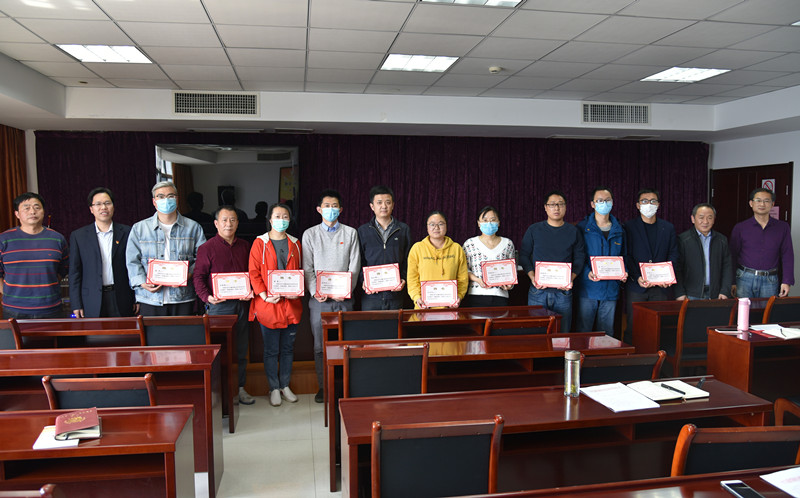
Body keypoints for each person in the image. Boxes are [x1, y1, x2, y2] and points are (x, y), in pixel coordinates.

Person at [302, 189, 360, 403]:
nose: (331, 209)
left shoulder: (350, 233)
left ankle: (345, 386)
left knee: (346, 345)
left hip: (345, 300)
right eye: (326, 206)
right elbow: (307, 267)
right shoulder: (310, 234)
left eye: (334, 206)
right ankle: (323, 387)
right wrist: (314, 290)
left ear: (341, 209)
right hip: (319, 301)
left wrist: (346, 290)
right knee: (320, 346)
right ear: (319, 209)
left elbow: (354, 265)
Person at [193, 206, 255, 405]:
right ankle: (218, 391)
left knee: (241, 349)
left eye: (233, 220)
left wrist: (251, 290)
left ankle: (240, 388)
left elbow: (253, 273)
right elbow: (198, 277)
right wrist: (207, 297)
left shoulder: (245, 246)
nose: (229, 224)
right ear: (216, 223)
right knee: (218, 351)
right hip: (219, 307)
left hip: (242, 305)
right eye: (224, 220)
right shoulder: (206, 248)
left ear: (238, 223)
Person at [249, 203, 302, 407]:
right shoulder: (259, 243)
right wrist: (263, 295)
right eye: (277, 216)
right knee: (271, 350)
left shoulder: (295, 243)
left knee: (288, 349)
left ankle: (285, 385)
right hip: (268, 305)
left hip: (290, 305)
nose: (282, 220)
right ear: (270, 220)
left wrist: (297, 290)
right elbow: (254, 273)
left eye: (285, 216)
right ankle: (273, 387)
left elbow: (300, 272)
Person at [126, 181, 206, 316]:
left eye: (170, 196)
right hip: (150, 298)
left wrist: (188, 274)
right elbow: (132, 260)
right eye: (161, 197)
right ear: (154, 201)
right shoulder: (139, 228)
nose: (166, 200)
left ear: (177, 199)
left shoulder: (193, 227)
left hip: (183, 297)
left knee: (183, 330)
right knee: (152, 331)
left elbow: (202, 259)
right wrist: (143, 282)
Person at [520, 190, 585, 333]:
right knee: (536, 332)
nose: (556, 208)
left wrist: (571, 278)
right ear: (545, 207)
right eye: (552, 204)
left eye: (560, 204)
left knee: (562, 334)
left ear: (566, 207)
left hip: (563, 293)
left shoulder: (573, 231)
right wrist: (532, 276)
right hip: (538, 291)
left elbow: (580, 258)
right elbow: (524, 256)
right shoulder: (534, 229)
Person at [69, 187, 136, 318]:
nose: (103, 207)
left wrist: (136, 298)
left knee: (124, 331)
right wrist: (76, 304)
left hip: (122, 297)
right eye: (98, 204)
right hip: (91, 299)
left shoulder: (128, 232)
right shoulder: (79, 236)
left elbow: (134, 266)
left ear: (113, 206)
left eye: (107, 203)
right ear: (91, 209)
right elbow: (74, 272)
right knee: (95, 331)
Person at [0, 192, 68, 319]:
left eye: (37, 207)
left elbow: (63, 270)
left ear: (43, 211)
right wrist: (11, 293)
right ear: (17, 214)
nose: (32, 211)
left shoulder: (57, 239)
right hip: (14, 310)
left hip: (50, 309)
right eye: (26, 208)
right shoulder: (4, 240)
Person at [624, 188, 678, 343]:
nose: (649, 204)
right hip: (637, 286)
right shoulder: (628, 227)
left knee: (657, 328)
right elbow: (626, 255)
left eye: (653, 201)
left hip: (660, 288)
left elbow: (673, 254)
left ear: (658, 204)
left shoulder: (668, 227)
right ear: (638, 205)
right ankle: (631, 356)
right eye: (645, 201)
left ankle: (656, 356)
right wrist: (637, 277)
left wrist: (668, 276)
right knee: (633, 326)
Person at [575, 187, 627, 336]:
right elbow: (577, 256)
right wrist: (587, 273)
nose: (604, 203)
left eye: (607, 200)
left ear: (613, 203)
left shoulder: (620, 229)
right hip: (588, 288)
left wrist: (624, 272)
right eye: (599, 200)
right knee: (584, 331)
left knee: (606, 333)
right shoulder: (582, 228)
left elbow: (624, 255)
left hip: (611, 289)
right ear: (592, 204)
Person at [730, 188, 794, 298]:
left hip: (770, 280)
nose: (762, 204)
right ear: (751, 203)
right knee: (743, 309)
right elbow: (732, 256)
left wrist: (786, 281)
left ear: (772, 204)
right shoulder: (740, 228)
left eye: (766, 201)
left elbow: (787, 255)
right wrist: (732, 282)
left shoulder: (782, 227)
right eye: (758, 200)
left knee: (768, 309)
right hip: (744, 278)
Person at [357, 186, 411, 310]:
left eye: (388, 202)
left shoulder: (403, 229)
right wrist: (363, 280)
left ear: (393, 205)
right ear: (372, 206)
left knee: (395, 323)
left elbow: (408, 259)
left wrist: (403, 278)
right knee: (370, 323)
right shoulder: (362, 231)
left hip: (395, 295)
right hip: (370, 296)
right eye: (379, 203)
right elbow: (358, 260)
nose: (384, 206)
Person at [407, 211, 468, 309]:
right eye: (432, 224)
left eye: (440, 224)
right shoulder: (417, 248)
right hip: (423, 308)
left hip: (450, 308)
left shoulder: (457, 249)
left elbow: (463, 278)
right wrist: (416, 297)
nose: (436, 227)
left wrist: (459, 296)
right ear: (427, 227)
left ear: (446, 226)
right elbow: (412, 279)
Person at [675, 203, 733, 300]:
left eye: (709, 218)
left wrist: (725, 291)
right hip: (691, 294)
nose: (705, 221)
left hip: (716, 294)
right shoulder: (683, 240)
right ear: (693, 219)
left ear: (714, 219)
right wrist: (679, 293)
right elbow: (677, 268)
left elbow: (727, 267)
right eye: (701, 217)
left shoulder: (721, 240)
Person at [462, 206, 516, 307]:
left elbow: (512, 271)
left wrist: (510, 284)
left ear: (499, 223)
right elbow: (464, 270)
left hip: (500, 296)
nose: (489, 223)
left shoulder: (508, 243)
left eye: (493, 220)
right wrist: (477, 280)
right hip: (476, 295)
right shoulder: (469, 244)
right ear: (478, 223)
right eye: (485, 220)